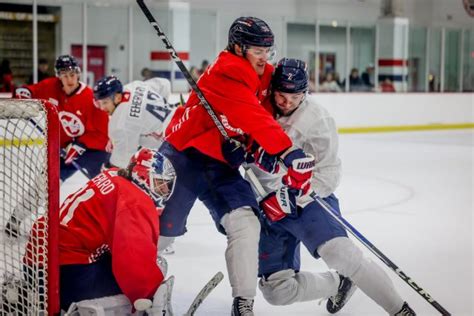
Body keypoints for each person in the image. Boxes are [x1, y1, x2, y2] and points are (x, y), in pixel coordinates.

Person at [159, 17, 315, 315]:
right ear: (238, 47)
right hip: (183, 157)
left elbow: (259, 121)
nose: (265, 57)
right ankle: (138, 289)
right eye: (258, 50)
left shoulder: (265, 74)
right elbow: (251, 116)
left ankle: (243, 302)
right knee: (162, 233)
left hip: (220, 165)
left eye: (268, 50)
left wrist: (254, 150)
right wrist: (287, 152)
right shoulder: (225, 72)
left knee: (246, 223)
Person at [249, 58, 416, 316]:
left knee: (342, 256)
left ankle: (399, 310)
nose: (286, 102)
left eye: (294, 97)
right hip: (267, 208)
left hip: (304, 201)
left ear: (305, 92)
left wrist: (292, 197)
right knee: (276, 292)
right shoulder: (258, 107)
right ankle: (339, 283)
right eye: (281, 95)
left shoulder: (317, 120)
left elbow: (329, 172)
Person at [20, 148, 177, 314]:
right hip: (61, 275)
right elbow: (133, 260)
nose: (164, 192)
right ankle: (77, 310)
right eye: (161, 185)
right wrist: (150, 296)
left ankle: (36, 297)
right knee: (147, 287)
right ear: (143, 176)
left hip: (38, 262)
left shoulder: (114, 174)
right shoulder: (135, 201)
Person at [14, 54, 110, 183]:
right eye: (65, 75)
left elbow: (103, 133)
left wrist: (80, 144)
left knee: (104, 185)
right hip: (66, 151)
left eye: (72, 74)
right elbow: (30, 90)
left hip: (94, 151)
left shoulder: (91, 98)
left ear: (78, 74)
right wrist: (24, 93)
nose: (70, 80)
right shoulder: (52, 87)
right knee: (48, 183)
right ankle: (37, 203)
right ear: (59, 77)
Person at [93, 75, 175, 169]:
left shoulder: (120, 123)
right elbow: (164, 84)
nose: (102, 108)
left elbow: (121, 161)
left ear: (118, 97)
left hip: (173, 142)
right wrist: (163, 106)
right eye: (99, 103)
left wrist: (108, 168)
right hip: (181, 118)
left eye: (105, 103)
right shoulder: (135, 85)